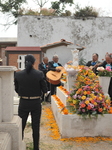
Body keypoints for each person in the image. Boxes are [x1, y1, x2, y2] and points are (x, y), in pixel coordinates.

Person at [14, 54, 47, 150]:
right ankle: (36, 148)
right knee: (35, 126)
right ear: (33, 63)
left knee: (21, 126)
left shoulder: (18, 74)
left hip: (23, 102)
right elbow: (44, 89)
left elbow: (16, 89)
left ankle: (19, 146)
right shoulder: (39, 74)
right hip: (36, 102)